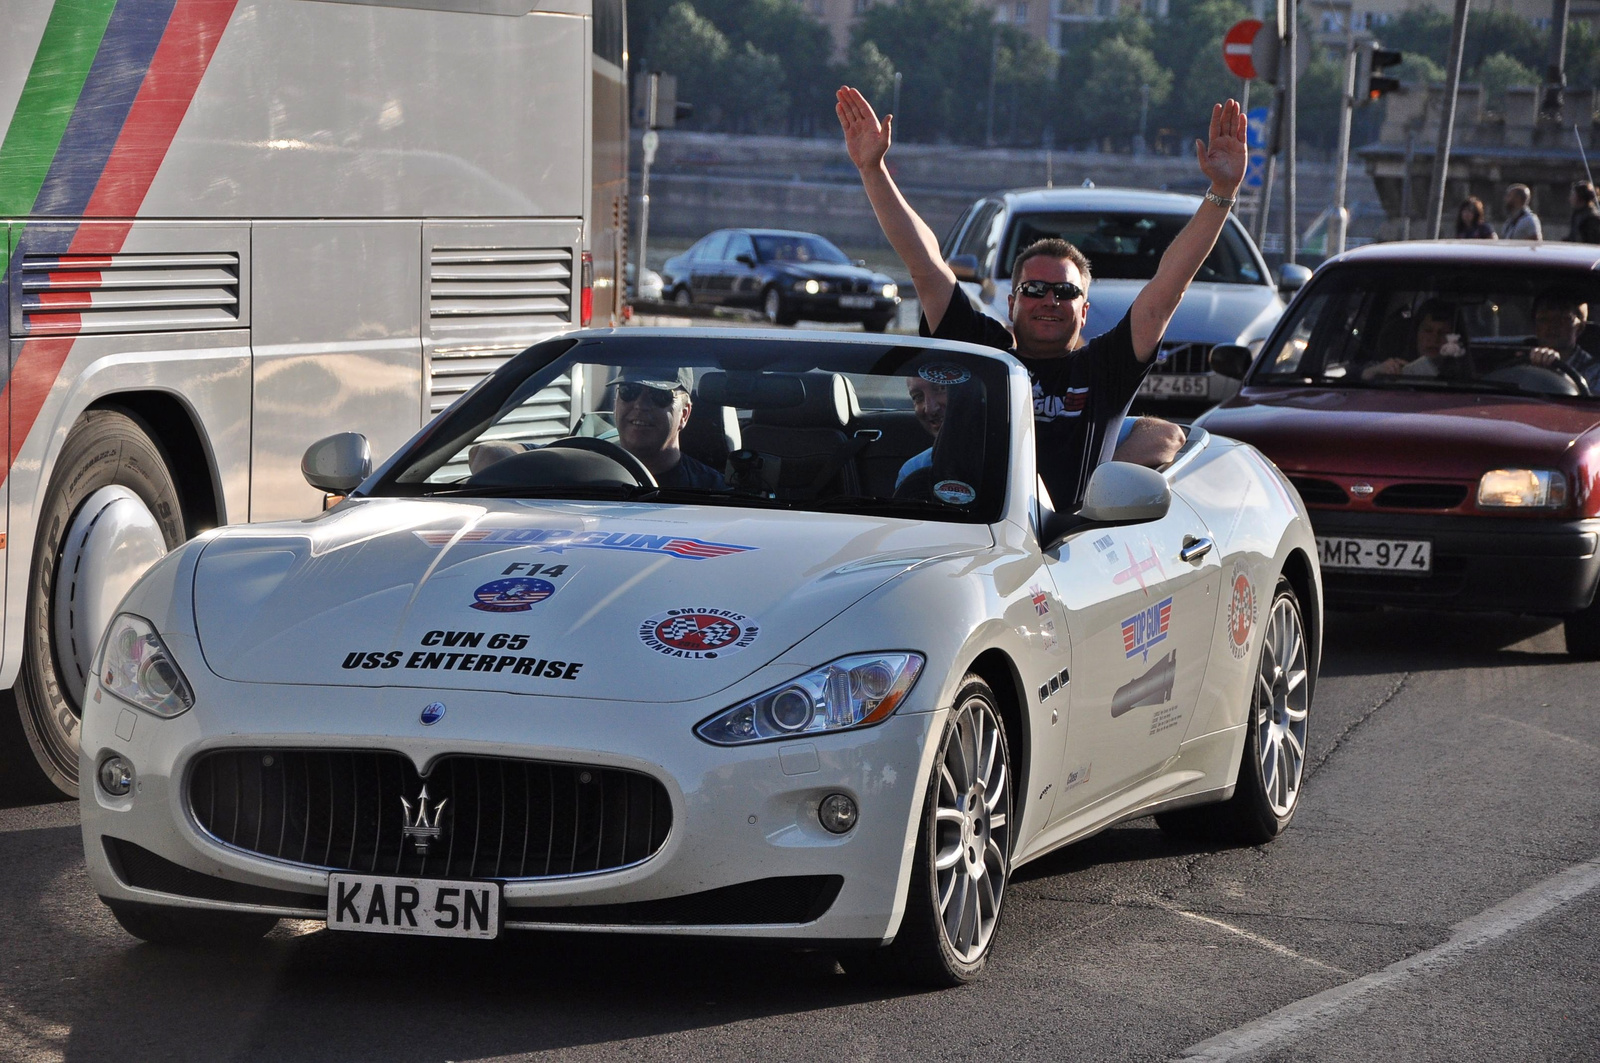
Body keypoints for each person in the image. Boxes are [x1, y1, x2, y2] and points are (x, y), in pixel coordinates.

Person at [835, 86, 1238, 509]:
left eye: (1065, 292)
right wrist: (872, 169)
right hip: (963, 538)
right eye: (1033, 289)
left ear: (1084, 311)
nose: (1049, 299)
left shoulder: (1105, 369)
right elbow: (925, 264)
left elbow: (1168, 288)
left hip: (1059, 550)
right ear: (1011, 304)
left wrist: (1222, 192)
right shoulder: (982, 350)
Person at [468, 367, 727, 489]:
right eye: (629, 391)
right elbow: (484, 454)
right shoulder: (579, 467)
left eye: (659, 396)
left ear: (685, 414)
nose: (639, 405)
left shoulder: (712, 490)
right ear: (616, 402)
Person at [1361, 299, 1466, 380]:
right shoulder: (1394, 368)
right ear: (1416, 334)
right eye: (1428, 331)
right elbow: (1350, 373)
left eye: (1443, 333)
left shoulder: (1465, 378)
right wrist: (1373, 371)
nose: (1434, 339)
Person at [1524, 288, 1600, 390]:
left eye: (1563, 319)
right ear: (1535, 326)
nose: (1552, 326)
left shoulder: (1594, 371)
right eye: (1544, 319)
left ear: (1580, 328)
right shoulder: (1521, 363)